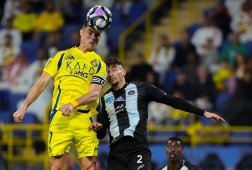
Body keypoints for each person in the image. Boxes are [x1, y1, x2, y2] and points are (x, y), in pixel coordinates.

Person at [89, 57, 225, 170]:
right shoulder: (104, 99)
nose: (110, 73)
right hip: (115, 153)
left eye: (114, 69)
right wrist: (98, 128)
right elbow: (101, 133)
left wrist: (202, 112)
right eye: (107, 71)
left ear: (123, 71)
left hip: (137, 148)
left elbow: (172, 100)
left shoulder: (141, 88)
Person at [13, 21, 107, 170]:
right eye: (90, 32)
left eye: (97, 35)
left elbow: (94, 93)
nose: (93, 37)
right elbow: (41, 83)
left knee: (90, 166)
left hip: (85, 120)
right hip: (60, 117)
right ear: (81, 32)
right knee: (56, 167)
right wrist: (24, 107)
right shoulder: (61, 56)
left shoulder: (100, 64)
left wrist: (73, 104)